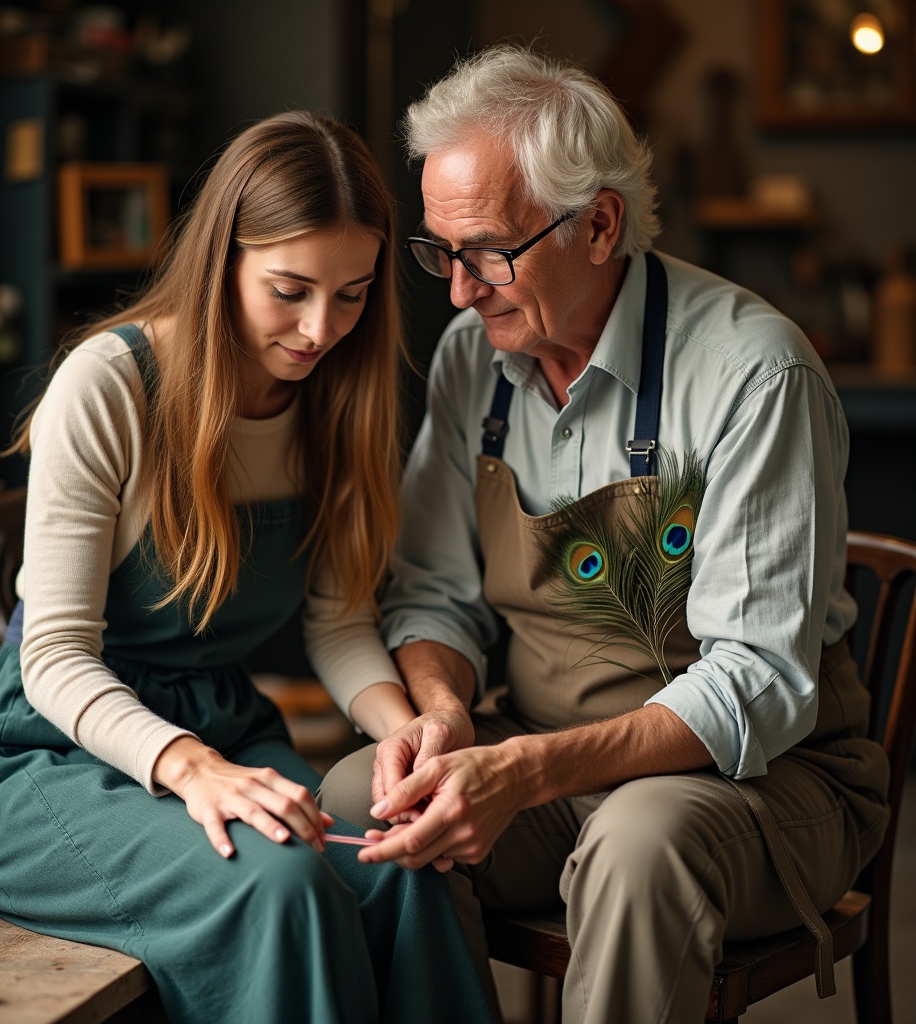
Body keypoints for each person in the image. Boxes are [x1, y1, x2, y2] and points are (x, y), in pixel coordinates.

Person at [318, 46, 891, 1023]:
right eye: (439, 253)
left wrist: (530, 769)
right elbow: (431, 592)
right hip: (543, 746)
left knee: (638, 844)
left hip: (754, 781)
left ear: (598, 224)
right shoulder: (475, 360)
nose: (457, 292)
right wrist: (447, 715)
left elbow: (754, 679)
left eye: (487, 254)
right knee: (352, 799)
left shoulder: (755, 373)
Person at [0, 110, 494, 1024]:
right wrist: (193, 768)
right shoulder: (110, 384)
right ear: (221, 260)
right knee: (285, 887)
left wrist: (405, 734)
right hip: (51, 751)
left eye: (352, 294)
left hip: (220, 721)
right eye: (290, 289)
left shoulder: (340, 403)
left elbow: (340, 623)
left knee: (402, 870)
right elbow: (55, 658)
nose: (321, 330)